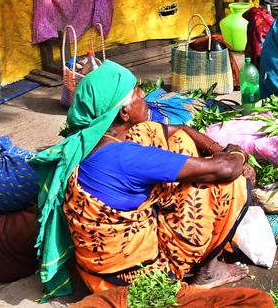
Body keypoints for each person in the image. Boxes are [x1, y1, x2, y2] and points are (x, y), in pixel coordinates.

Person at [31, 63, 253, 299]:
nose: (144, 95)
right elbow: (226, 169)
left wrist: (217, 149)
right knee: (232, 182)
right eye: (137, 91)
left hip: (96, 272)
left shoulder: (93, 140)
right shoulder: (126, 157)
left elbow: (179, 130)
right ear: (124, 112)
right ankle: (209, 271)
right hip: (137, 278)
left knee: (176, 139)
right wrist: (237, 153)